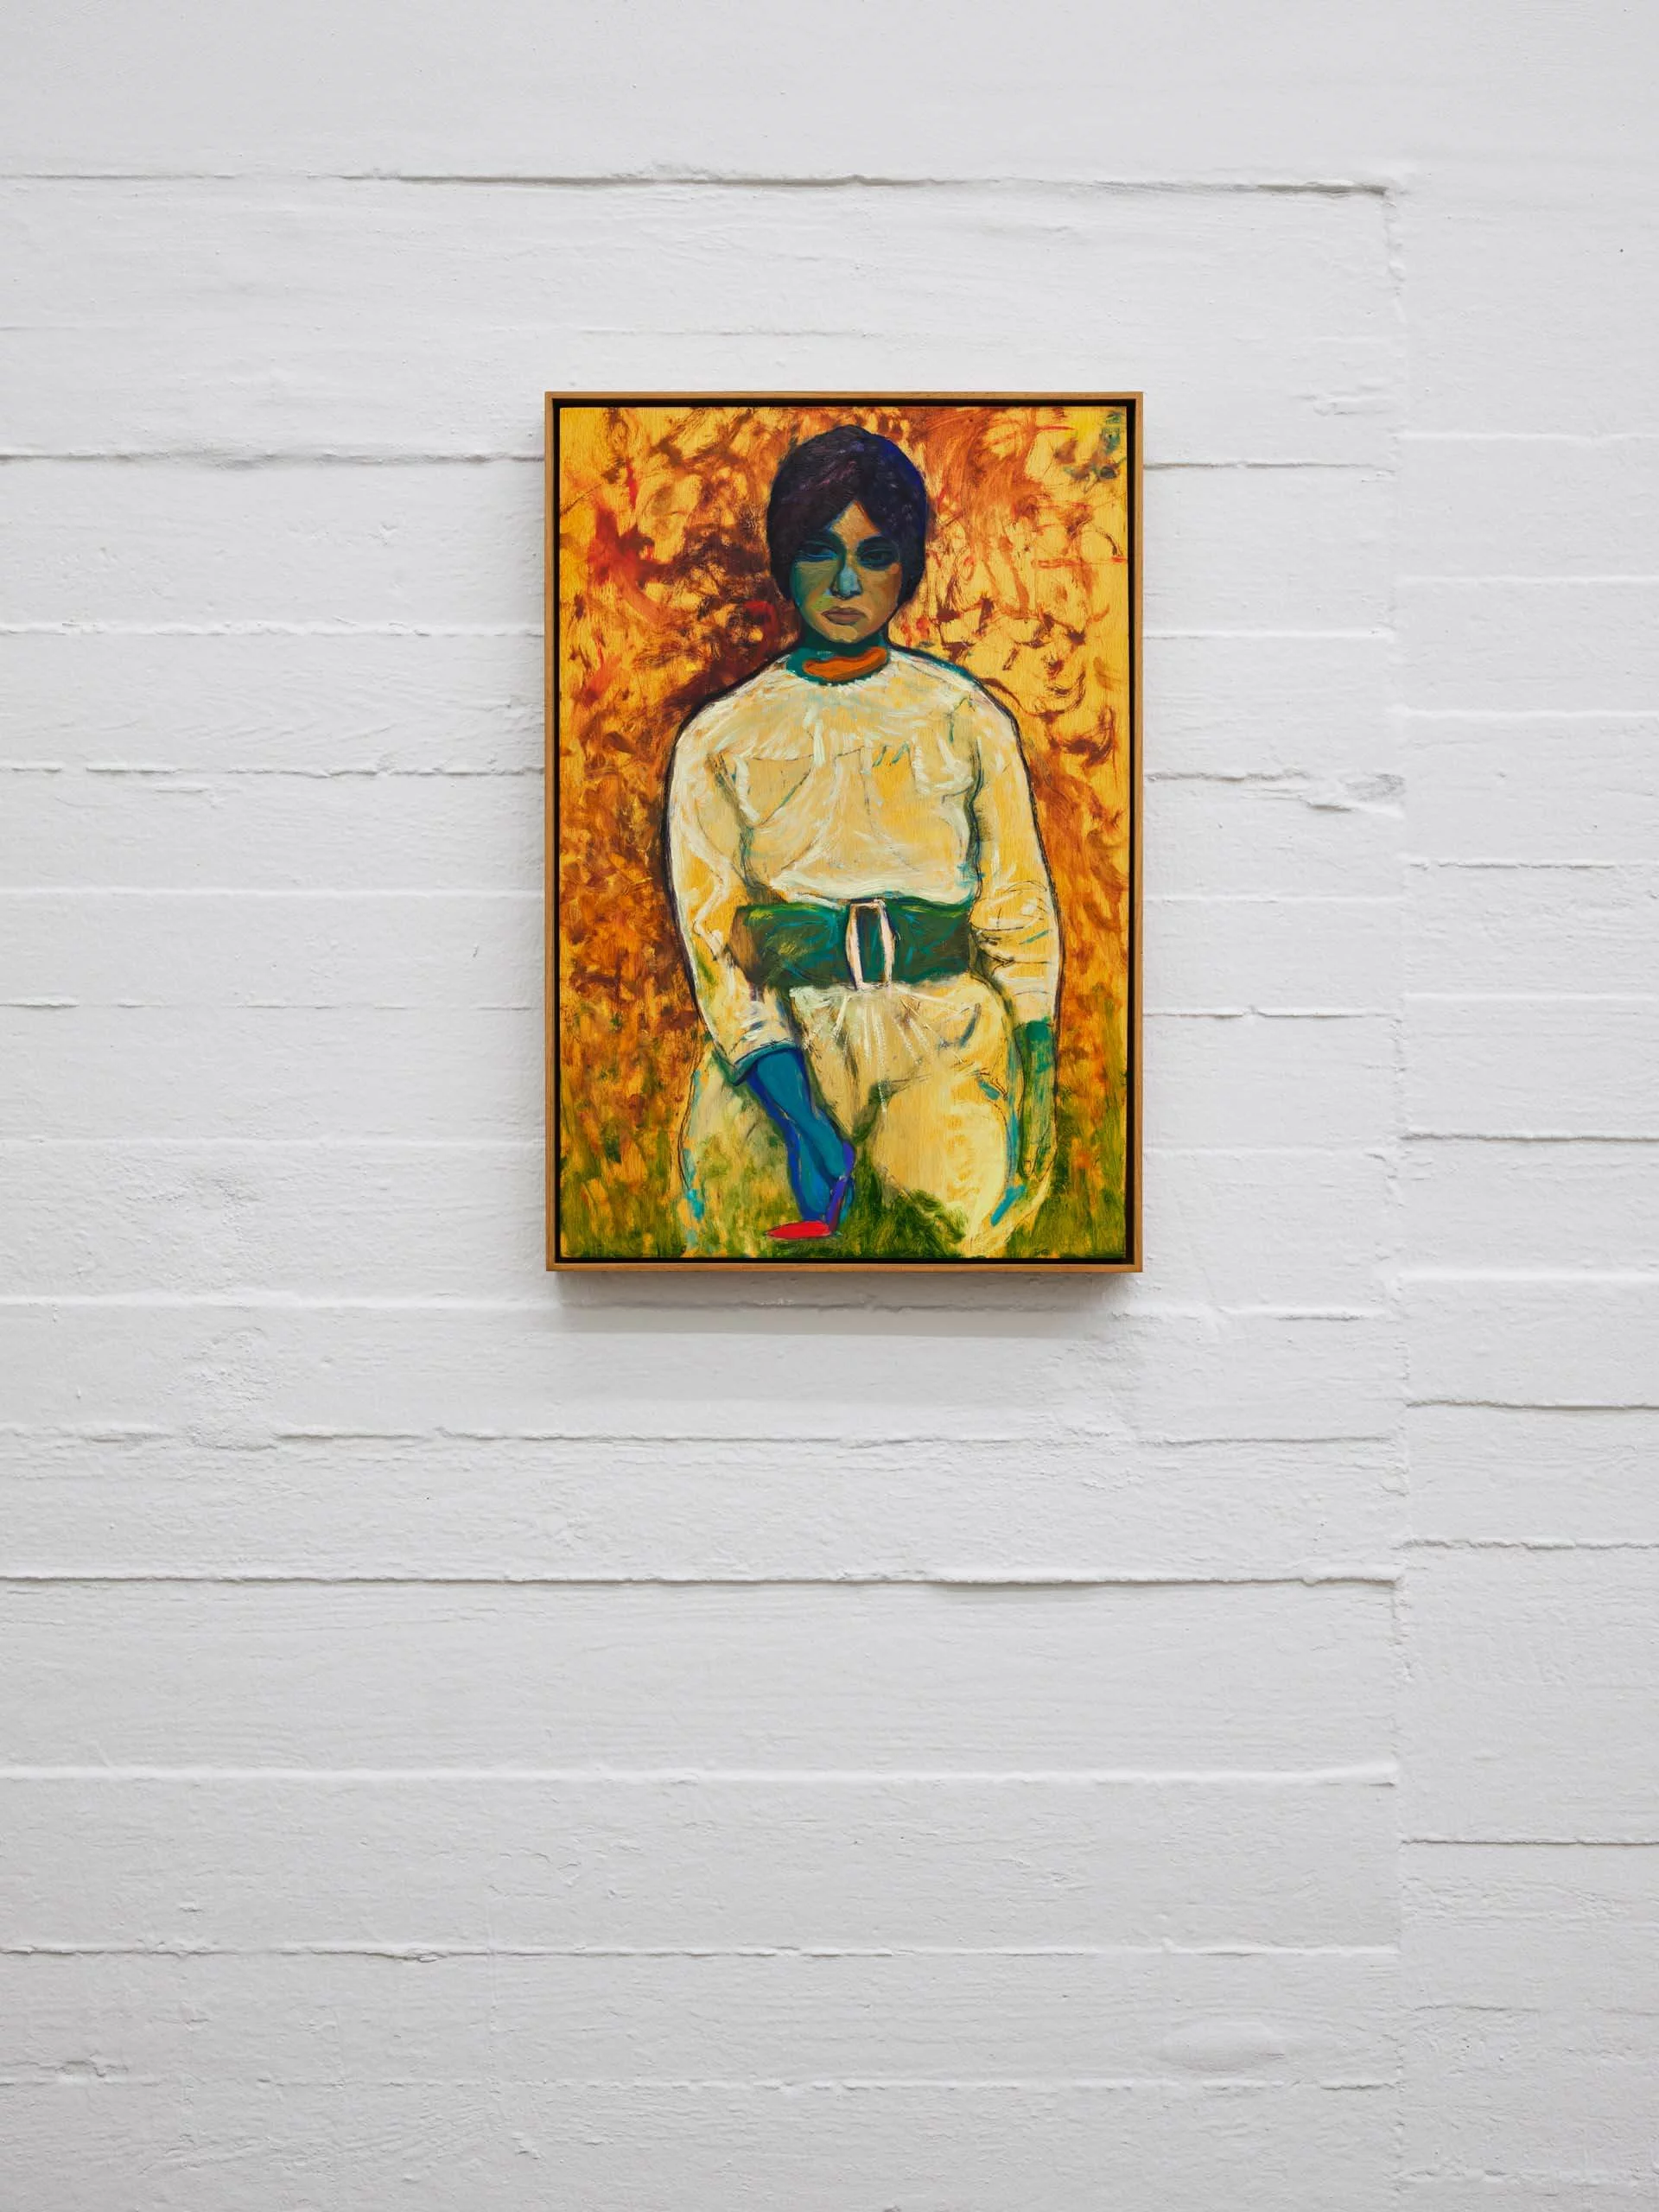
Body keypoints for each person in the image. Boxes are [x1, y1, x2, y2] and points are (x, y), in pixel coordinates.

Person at [665, 424, 1061, 1257]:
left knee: (953, 1255)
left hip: (947, 1049)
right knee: (754, 1259)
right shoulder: (720, 737)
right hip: (778, 1064)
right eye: (820, 551)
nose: (846, 583)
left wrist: (1037, 1078)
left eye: (874, 555)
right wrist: (800, 1118)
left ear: (905, 568)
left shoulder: (962, 717)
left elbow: (1018, 910)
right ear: (786, 561)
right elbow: (716, 942)